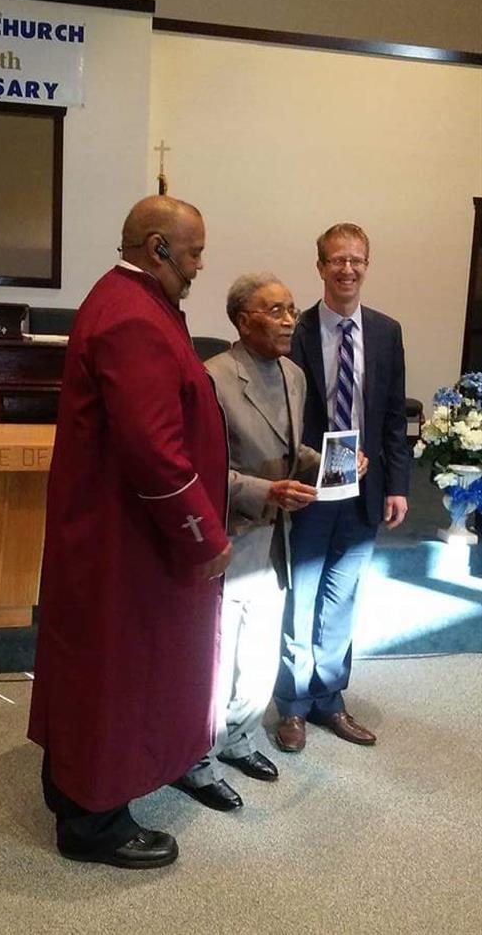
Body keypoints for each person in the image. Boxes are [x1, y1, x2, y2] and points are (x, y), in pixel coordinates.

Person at [28, 195, 231, 869]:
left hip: (117, 529)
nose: (201, 264)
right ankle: (93, 824)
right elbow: (153, 449)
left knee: (94, 663)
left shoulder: (127, 301)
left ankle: (75, 790)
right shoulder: (133, 319)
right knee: (116, 670)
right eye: (194, 250)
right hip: (128, 540)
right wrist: (202, 535)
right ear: (157, 246)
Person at [173, 274, 320, 812]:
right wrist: (266, 490)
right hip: (231, 536)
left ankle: (238, 739)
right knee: (218, 656)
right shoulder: (211, 378)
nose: (289, 321)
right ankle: (197, 760)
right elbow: (197, 469)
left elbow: (290, 445)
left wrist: (326, 465)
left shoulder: (294, 375)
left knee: (258, 654)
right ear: (242, 319)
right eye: (275, 311)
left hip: (277, 538)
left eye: (292, 309)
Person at [274, 222, 410, 752]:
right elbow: (283, 415)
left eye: (357, 260)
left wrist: (397, 483)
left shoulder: (387, 331)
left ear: (367, 265)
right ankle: (293, 706)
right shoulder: (297, 332)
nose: (347, 269)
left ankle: (330, 698)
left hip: (364, 488)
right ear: (320, 266)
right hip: (312, 485)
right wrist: (312, 463)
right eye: (337, 260)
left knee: (342, 595)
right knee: (302, 594)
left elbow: (393, 416)